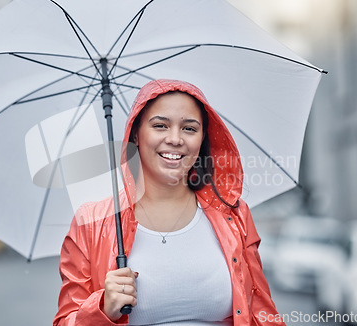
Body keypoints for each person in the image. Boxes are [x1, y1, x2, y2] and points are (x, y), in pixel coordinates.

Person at [53, 79, 285, 325]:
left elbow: (263, 314)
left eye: (189, 128)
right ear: (136, 136)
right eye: (160, 125)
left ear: (202, 138)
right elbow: (65, 320)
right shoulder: (91, 222)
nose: (175, 139)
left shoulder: (234, 216)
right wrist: (100, 309)